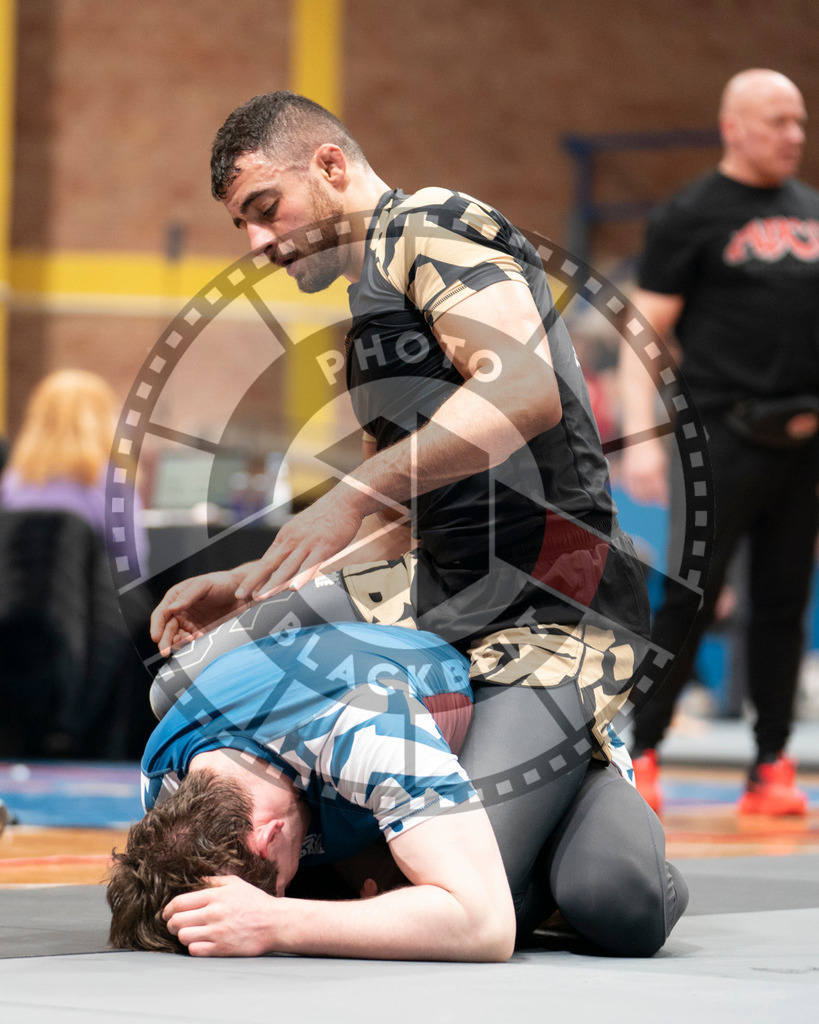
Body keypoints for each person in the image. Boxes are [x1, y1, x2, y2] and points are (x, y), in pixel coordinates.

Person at [149, 91, 662, 926]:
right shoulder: (368, 324)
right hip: (441, 593)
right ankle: (322, 829)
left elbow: (524, 390)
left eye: (264, 210)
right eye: (242, 226)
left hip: (554, 607)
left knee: (569, 896)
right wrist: (252, 581)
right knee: (185, 684)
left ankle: (586, 783)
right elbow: (397, 519)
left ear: (329, 165)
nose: (258, 243)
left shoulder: (431, 223)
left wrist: (351, 495)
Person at [108, 621, 686, 959]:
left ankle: (582, 793)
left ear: (267, 835)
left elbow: (486, 928)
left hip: (515, 692)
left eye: (274, 885)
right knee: (387, 902)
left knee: (612, 897)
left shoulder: (360, 725)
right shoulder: (167, 779)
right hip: (375, 759)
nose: (274, 897)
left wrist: (274, 922)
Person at [618, 69, 819, 816]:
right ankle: (641, 750)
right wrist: (641, 438)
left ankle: (770, 767)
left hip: (800, 444)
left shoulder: (810, 213)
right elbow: (642, 336)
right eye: (776, 122)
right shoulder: (691, 213)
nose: (792, 136)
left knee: (782, 602)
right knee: (689, 598)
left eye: (798, 122)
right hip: (718, 438)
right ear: (732, 126)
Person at [0, 369, 148, 568]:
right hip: (91, 596)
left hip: (16, 597)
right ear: (104, 418)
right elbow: (133, 560)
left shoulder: (12, 480)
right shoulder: (112, 479)